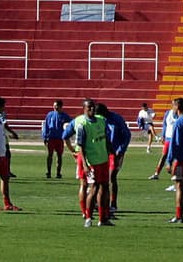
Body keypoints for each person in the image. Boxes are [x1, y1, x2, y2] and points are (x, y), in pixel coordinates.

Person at [73, 97, 113, 227]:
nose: (91, 109)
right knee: (94, 188)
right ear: (84, 109)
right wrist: (85, 165)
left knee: (105, 187)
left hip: (103, 160)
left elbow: (106, 138)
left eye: (93, 106)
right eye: (88, 107)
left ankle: (103, 219)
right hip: (92, 162)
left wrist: (111, 151)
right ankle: (88, 217)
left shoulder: (101, 121)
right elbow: (81, 147)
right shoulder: (82, 125)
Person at [100, 103, 132, 217]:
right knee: (102, 178)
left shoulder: (116, 119)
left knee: (111, 176)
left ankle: (113, 203)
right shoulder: (100, 120)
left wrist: (121, 149)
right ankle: (102, 203)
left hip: (115, 152)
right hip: (103, 152)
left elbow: (127, 135)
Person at [150, 100, 181, 181]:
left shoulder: (180, 115)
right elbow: (165, 125)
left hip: (177, 139)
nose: (174, 106)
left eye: (175, 105)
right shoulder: (168, 113)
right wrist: (163, 135)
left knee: (178, 157)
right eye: (173, 104)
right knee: (163, 155)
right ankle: (156, 173)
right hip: (168, 138)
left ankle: (178, 175)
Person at [43, 99, 72, 178]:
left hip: (59, 138)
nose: (55, 107)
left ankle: (58, 173)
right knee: (50, 155)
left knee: (59, 156)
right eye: (54, 105)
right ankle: (48, 172)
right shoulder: (50, 114)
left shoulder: (65, 116)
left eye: (56, 106)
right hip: (51, 137)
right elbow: (46, 126)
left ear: (61, 106)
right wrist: (45, 136)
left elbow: (71, 123)